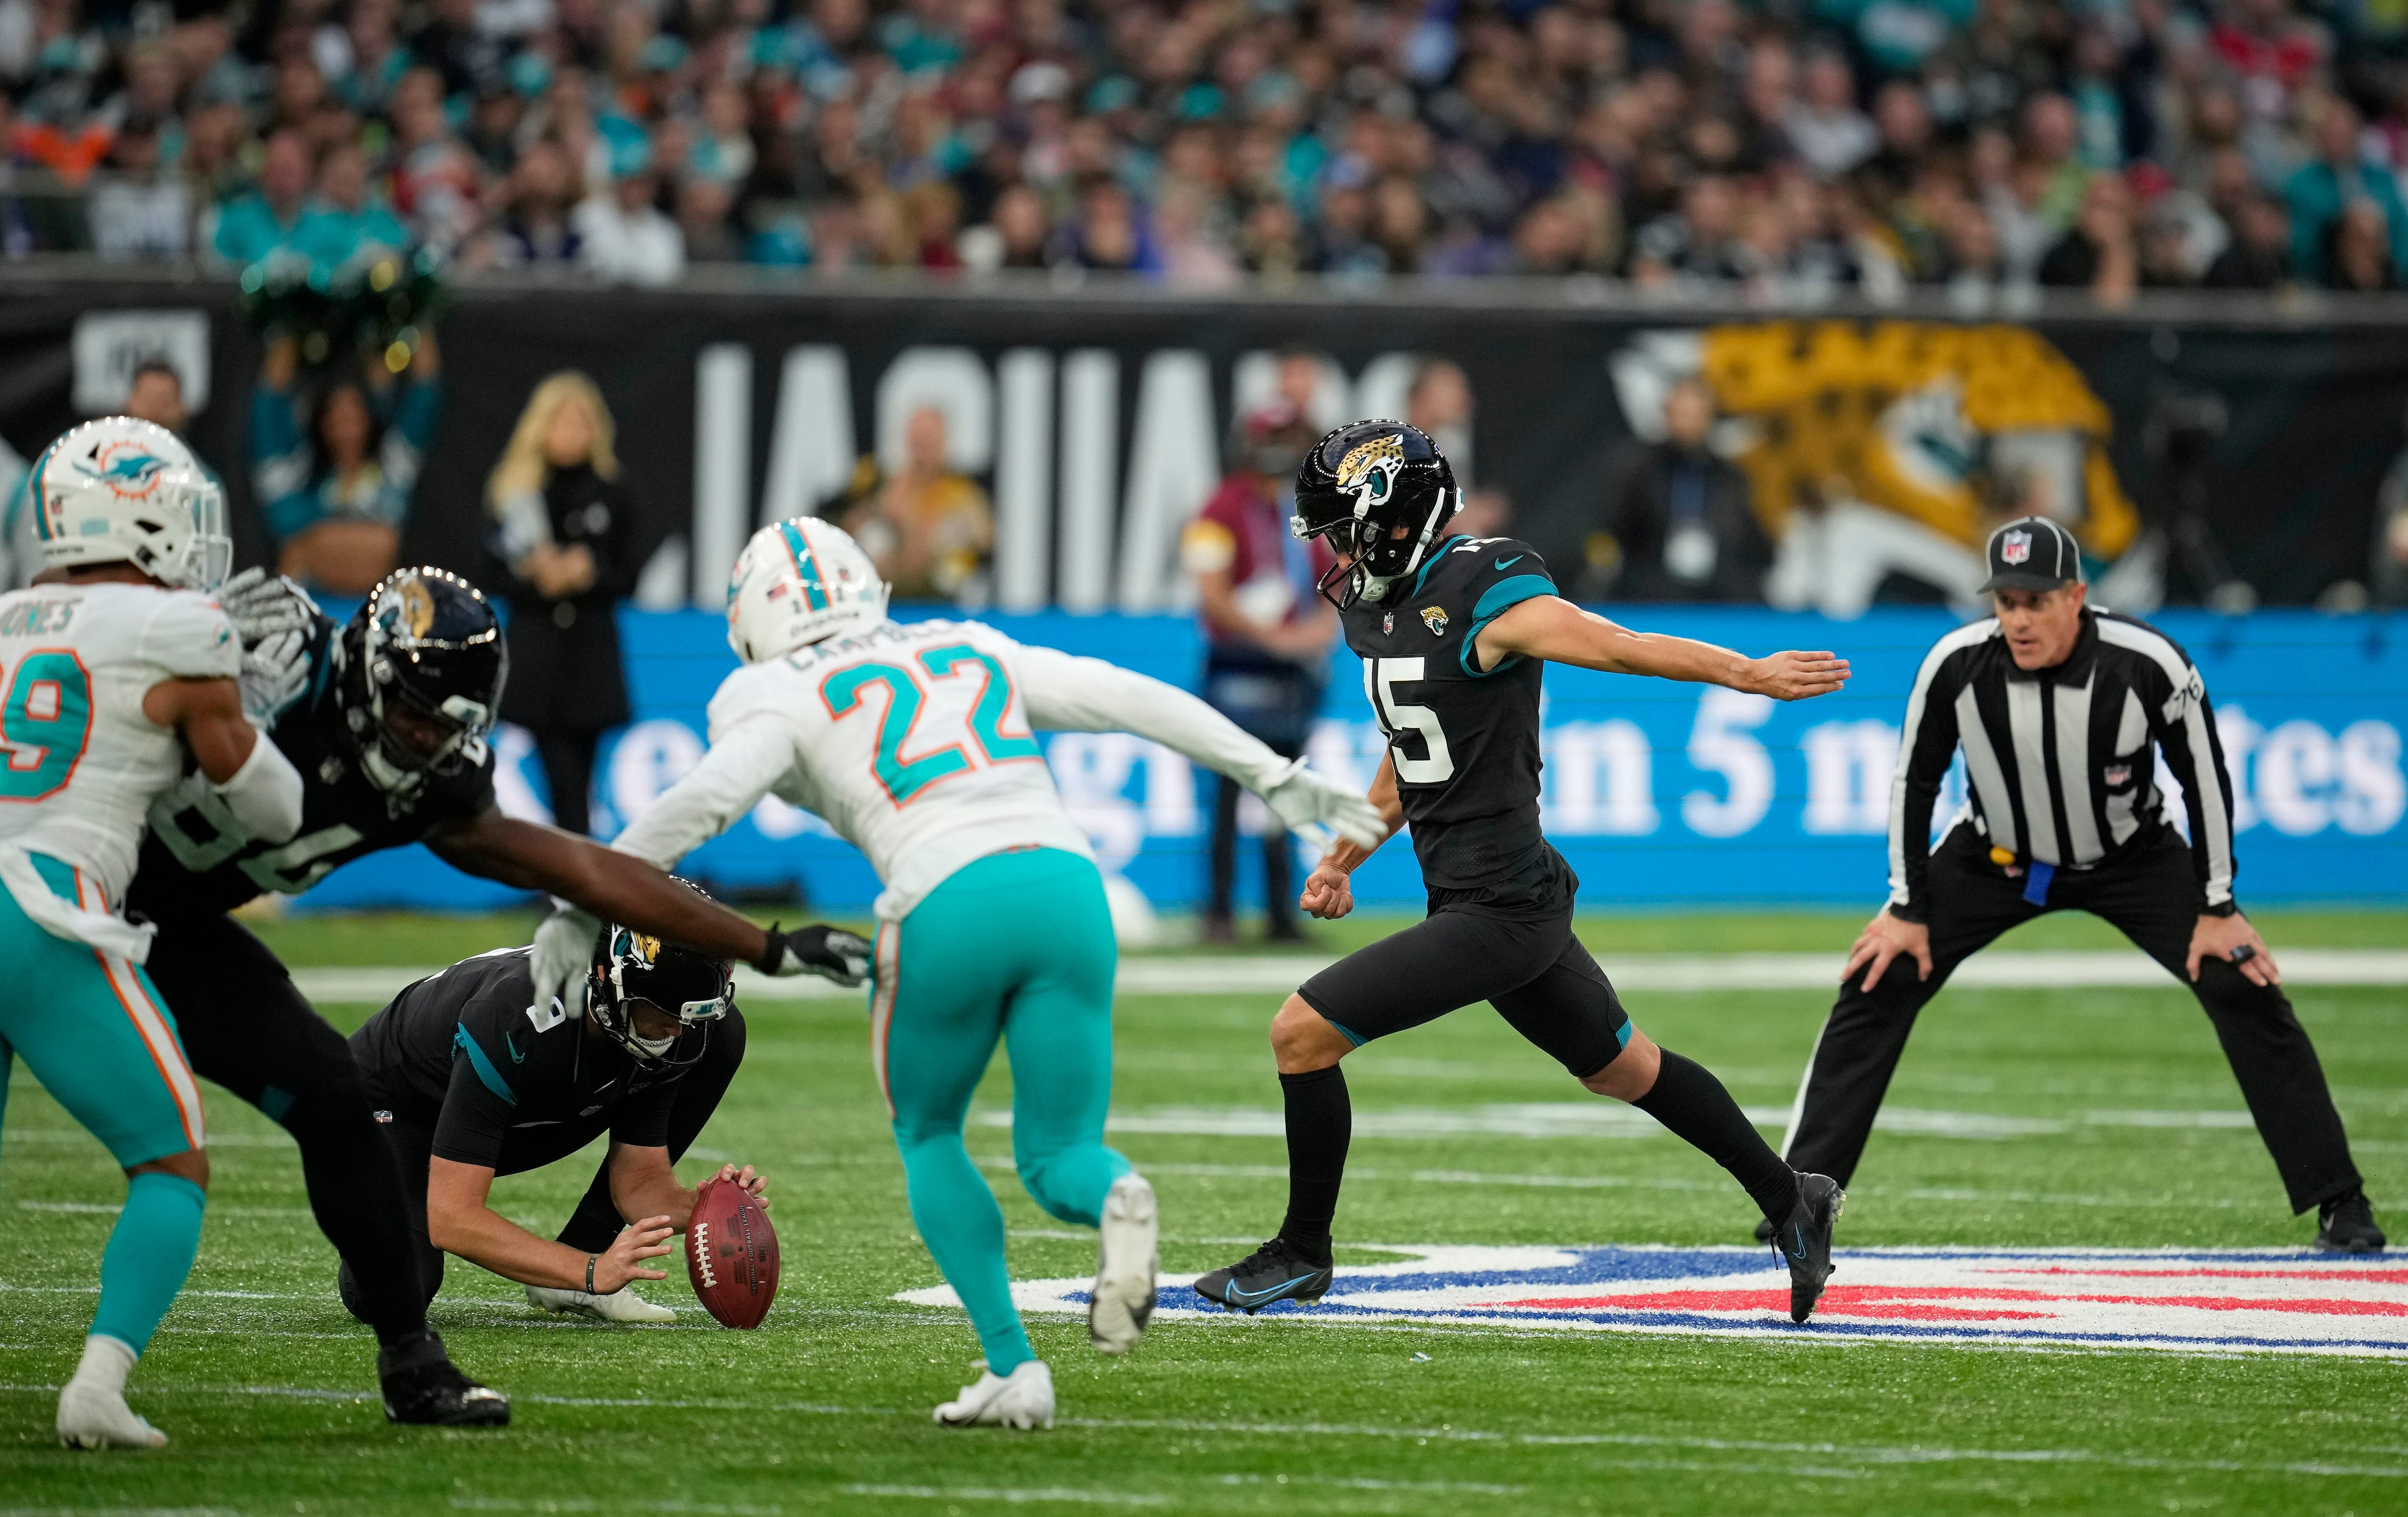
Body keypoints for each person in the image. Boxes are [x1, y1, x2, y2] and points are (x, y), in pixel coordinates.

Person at [532, 517, 1382, 1429]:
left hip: (945, 897)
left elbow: (693, 808)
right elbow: (1124, 696)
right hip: (1065, 882)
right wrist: (1274, 774)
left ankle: (1015, 1367)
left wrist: (580, 909)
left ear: (751, 620)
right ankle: (1117, 1197)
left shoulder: (772, 690)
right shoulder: (962, 644)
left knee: (931, 1134)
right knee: (1062, 1154)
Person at [125, 565, 870, 1425]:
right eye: (415, 713)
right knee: (369, 1239)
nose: (431, 741)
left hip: (182, 923)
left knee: (300, 1105)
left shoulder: (435, 778)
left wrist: (769, 948)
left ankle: (414, 1367)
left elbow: (588, 870)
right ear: (367, 678)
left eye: (457, 725)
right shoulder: (274, 694)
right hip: (111, 908)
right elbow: (456, 1214)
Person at [1192, 421, 1852, 1324]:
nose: (1331, 551)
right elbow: (1413, 756)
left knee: (1301, 1033)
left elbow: (1615, 643)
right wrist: (1347, 853)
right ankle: (1794, 1201)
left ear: (1397, 521)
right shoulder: (1379, 609)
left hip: (1500, 909)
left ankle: (1303, 1251)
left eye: (1341, 529)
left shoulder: (1486, 590)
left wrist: (1745, 673)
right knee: (1626, 1068)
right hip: (1496, 898)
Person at [1774, 517, 2384, 1254]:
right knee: (1880, 972)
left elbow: (2207, 782)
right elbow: (1915, 780)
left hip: (2131, 858)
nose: (2020, 620)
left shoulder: (2147, 661)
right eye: (2006, 602)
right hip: (1993, 858)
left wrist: (2218, 905)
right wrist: (1908, 907)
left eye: (2037, 601)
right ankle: (1799, 1197)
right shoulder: (1957, 663)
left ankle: (2339, 1200)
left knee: (2241, 979)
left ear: (2078, 596)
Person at [1, 418, 305, 1448]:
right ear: (139, 516)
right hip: (41, 911)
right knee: (171, 1164)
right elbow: (270, 812)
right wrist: (251, 709)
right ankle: (97, 1383)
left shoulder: (6, 616)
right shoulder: (177, 632)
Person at [347, 913, 763, 1320]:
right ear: (608, 980)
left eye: (693, 1014)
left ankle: (581, 1251)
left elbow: (639, 1182)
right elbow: (453, 1218)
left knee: (722, 1038)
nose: (679, 1030)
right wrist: (589, 1272)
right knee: (395, 1291)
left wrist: (706, 1211)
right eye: (666, 1012)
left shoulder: (686, 1025)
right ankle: (570, 1270)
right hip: (395, 1109)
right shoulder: (514, 1018)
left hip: (521, 1109)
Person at [1179, 405, 1337, 943]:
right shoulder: (1219, 510)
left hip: (1290, 674)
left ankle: (1281, 914)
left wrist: (1320, 628)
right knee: (1226, 793)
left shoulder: (1302, 512)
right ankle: (1218, 913)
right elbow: (1212, 598)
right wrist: (1273, 636)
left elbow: (1327, 584)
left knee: (1285, 793)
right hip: (1236, 667)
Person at [486, 372, 638, 836]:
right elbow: (492, 570)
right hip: (539, 656)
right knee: (559, 773)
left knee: (579, 776)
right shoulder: (515, 494)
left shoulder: (612, 494)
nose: (571, 433)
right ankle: (573, 874)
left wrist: (587, 573)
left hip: (589, 653)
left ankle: (572, 875)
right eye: (561, 421)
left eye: (581, 422)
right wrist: (538, 577)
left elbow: (628, 574)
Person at [251, 331, 442, 595]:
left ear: (370, 417)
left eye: (355, 412)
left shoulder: (394, 465)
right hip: (313, 614)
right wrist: (290, 321)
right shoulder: (299, 474)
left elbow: (426, 393)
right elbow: (267, 404)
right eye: (336, 414)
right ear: (321, 422)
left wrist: (412, 311)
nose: (346, 424)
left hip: (379, 614)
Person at [1591, 377, 1771, 602]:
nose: (1687, 423)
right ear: (1667, 414)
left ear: (1709, 418)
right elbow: (1615, 525)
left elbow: (1749, 537)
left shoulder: (1729, 477)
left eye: (1695, 415)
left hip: (1716, 591)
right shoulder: (1640, 470)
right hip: (1650, 587)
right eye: (1681, 414)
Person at [840, 406, 995, 602]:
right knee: (874, 534)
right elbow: (845, 532)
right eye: (918, 439)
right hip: (885, 600)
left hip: (940, 604)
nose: (922, 448)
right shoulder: (881, 487)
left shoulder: (962, 495)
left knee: (954, 533)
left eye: (929, 439)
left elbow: (986, 542)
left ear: (943, 442)